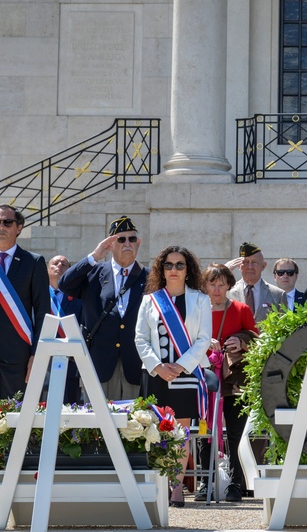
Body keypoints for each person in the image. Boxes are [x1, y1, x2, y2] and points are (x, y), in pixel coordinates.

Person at [134, 245, 213, 507]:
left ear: (188, 269)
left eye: (180, 265)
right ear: (161, 269)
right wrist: (158, 366)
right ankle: (158, 486)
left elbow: (203, 340)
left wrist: (179, 366)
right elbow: (141, 339)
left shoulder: (200, 300)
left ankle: (177, 486)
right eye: (169, 265)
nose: (174, 270)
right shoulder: (150, 300)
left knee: (180, 433)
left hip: (185, 374)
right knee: (155, 432)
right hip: (155, 374)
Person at [58, 215, 147, 401]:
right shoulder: (94, 273)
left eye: (132, 239)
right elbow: (64, 284)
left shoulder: (149, 277)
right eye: (120, 239)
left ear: (138, 243)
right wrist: (94, 257)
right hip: (100, 362)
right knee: (97, 424)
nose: (127, 243)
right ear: (110, 245)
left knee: (136, 425)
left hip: (136, 362)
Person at [201, 263, 258, 503]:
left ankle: (236, 484)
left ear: (229, 285)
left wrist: (241, 341)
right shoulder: (198, 309)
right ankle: (206, 481)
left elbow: (256, 339)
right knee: (206, 432)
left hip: (235, 379)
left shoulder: (241, 309)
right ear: (205, 285)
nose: (216, 289)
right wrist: (203, 342)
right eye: (212, 284)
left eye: (221, 284)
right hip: (205, 380)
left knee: (235, 433)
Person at [0, 205, 48, 399]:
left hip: (17, 361)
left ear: (18, 227)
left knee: (14, 424)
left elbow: (43, 311)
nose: (1, 226)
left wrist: (37, 354)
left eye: (7, 222)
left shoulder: (33, 262)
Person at [45, 255, 83, 404]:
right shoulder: (37, 294)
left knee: (70, 404)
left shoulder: (77, 297)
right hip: (42, 357)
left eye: (64, 264)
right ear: (48, 270)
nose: (59, 265)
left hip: (70, 360)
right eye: (55, 263)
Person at [227, 242, 286, 322]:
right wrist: (223, 272)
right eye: (246, 262)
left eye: (254, 262)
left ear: (263, 266)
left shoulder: (278, 295)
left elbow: (284, 328)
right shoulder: (228, 292)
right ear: (239, 266)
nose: (250, 267)